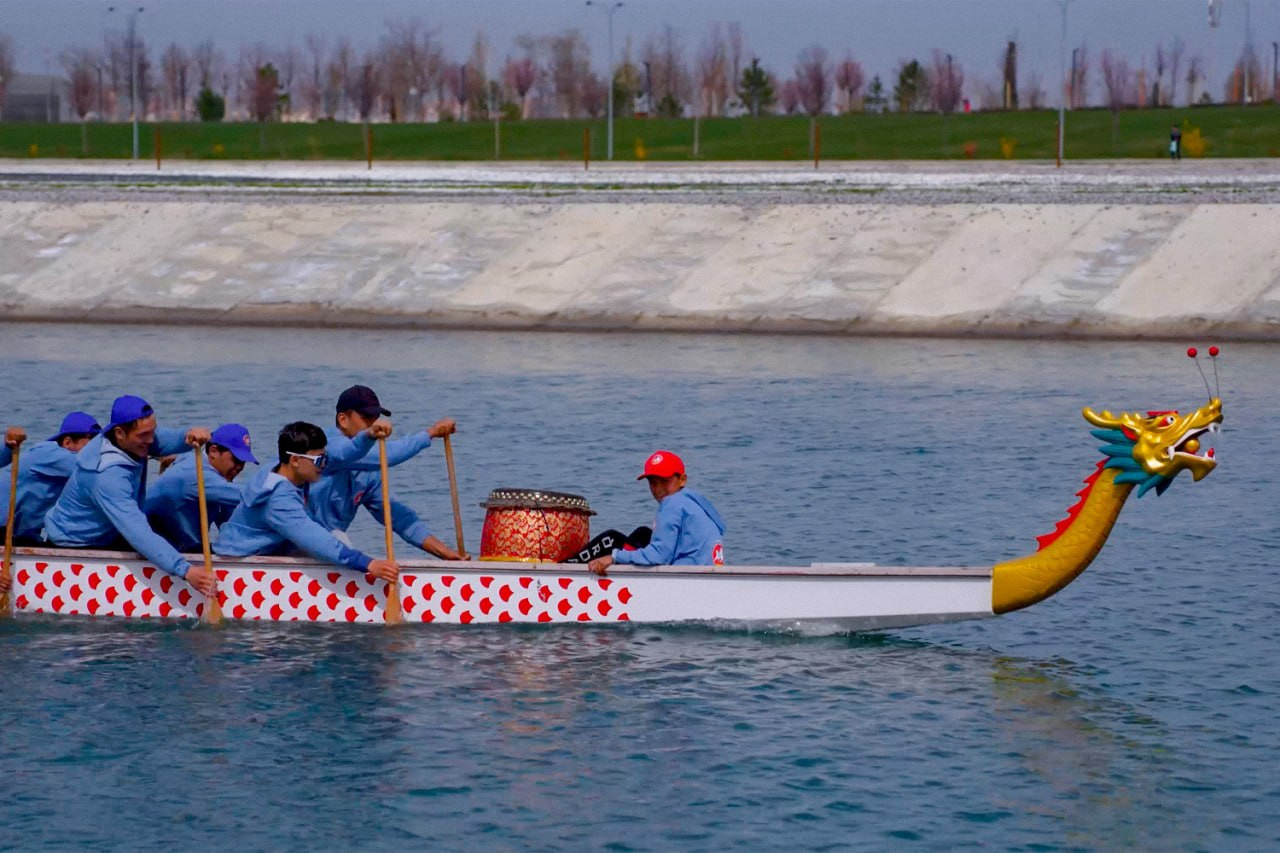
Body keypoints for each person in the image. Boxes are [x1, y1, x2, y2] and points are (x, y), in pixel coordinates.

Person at [42, 395, 216, 596]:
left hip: (108, 533)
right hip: (75, 547)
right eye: (144, 435)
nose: (150, 441)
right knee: (149, 537)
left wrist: (188, 436)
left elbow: (166, 439)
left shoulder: (132, 439)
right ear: (120, 433)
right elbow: (138, 533)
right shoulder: (106, 477)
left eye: (152, 431)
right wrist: (187, 572)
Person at [213, 421, 399, 581]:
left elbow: (344, 453)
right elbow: (314, 539)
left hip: (266, 550)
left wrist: (369, 436)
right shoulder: (278, 500)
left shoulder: (282, 468)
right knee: (332, 543)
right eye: (318, 460)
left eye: (324, 458)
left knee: (337, 537)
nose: (324, 465)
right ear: (295, 460)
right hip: (237, 564)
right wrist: (368, 564)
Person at [307, 384, 468, 560]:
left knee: (342, 546)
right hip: (294, 536)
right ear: (343, 419)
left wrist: (447, 554)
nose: (373, 424)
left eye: (375, 418)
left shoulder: (368, 473)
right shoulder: (325, 446)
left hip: (325, 541)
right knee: (343, 546)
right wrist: (430, 433)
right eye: (366, 417)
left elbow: (400, 520)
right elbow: (386, 455)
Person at [588, 450, 726, 576]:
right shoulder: (694, 502)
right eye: (653, 483)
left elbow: (659, 555)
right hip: (708, 575)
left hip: (687, 580)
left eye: (665, 481)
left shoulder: (672, 503)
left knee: (612, 538)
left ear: (682, 480)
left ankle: (573, 568)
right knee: (643, 534)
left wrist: (614, 557)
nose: (658, 489)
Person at [144, 423, 258, 553]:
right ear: (213, 451)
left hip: (178, 544)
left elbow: (231, 523)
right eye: (236, 460)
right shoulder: (198, 475)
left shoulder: (206, 469)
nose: (239, 467)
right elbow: (251, 496)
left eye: (243, 462)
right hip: (153, 549)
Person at [0, 412, 101, 547]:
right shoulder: (49, 453)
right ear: (67, 442)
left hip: (21, 533)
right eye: (92, 442)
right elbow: (95, 470)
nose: (97, 450)